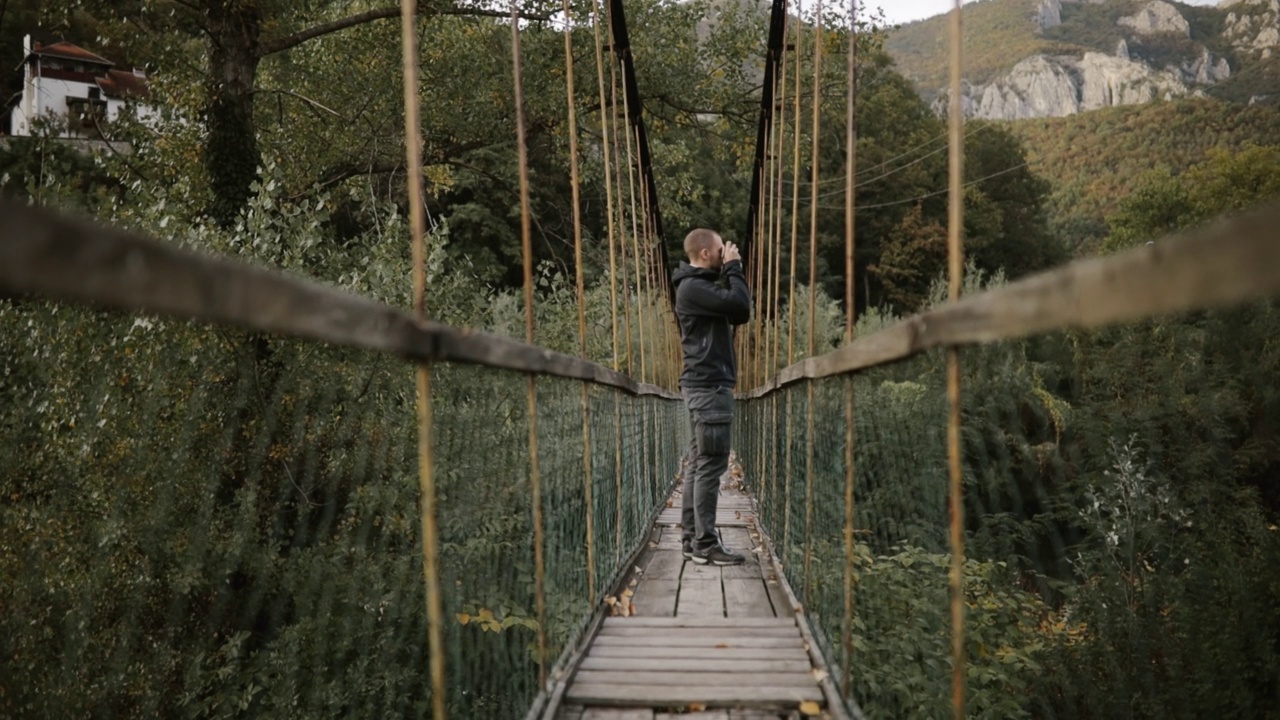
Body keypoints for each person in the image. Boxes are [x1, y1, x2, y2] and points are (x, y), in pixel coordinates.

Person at [671, 228, 751, 566]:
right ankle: (704, 543)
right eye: (721, 249)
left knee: (700, 463)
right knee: (711, 464)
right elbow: (741, 308)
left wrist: (729, 270)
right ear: (706, 253)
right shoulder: (694, 288)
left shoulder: (695, 288)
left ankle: (693, 540)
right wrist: (734, 268)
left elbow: (733, 311)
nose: (725, 252)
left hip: (703, 385)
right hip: (709, 386)